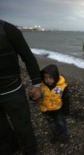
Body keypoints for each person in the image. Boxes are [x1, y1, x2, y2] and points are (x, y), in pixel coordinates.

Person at [0, 20, 42, 154]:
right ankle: (12, 147)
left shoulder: (8, 29)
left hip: (12, 90)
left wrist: (36, 84)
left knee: (23, 127)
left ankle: (30, 151)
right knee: (2, 130)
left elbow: (28, 57)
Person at [39, 64, 70, 144]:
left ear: (55, 77)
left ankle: (65, 136)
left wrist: (66, 110)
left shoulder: (62, 87)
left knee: (61, 123)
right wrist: (32, 97)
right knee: (52, 125)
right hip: (46, 110)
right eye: (45, 77)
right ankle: (56, 135)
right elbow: (36, 97)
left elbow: (66, 99)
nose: (47, 80)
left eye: (50, 77)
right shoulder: (41, 87)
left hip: (58, 110)